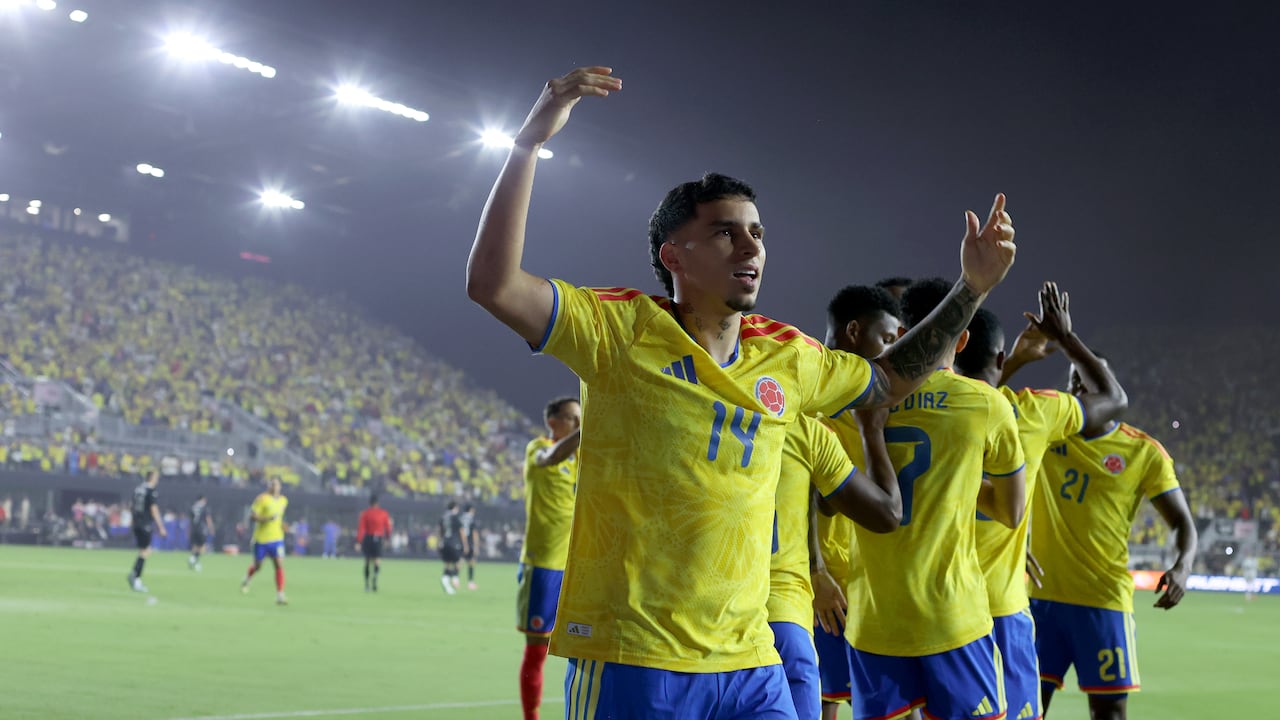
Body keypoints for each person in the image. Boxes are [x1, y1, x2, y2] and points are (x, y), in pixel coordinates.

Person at [465, 65, 1016, 718]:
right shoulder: (617, 329)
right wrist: (527, 146)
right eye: (726, 231)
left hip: (751, 658)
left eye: (756, 231)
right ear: (674, 255)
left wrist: (971, 289)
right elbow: (493, 284)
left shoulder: (786, 355)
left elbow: (887, 380)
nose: (750, 244)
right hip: (636, 658)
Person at [824, 279, 1027, 720]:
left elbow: (815, 487)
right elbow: (1012, 512)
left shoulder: (849, 406)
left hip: (874, 621)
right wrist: (961, 476)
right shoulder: (986, 405)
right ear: (965, 338)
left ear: (901, 333)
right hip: (953, 619)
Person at [955, 282, 1129, 720]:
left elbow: (974, 399)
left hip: (937, 609)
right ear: (997, 360)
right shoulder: (1034, 412)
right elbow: (1113, 399)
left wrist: (1009, 361)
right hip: (1001, 609)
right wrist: (1065, 337)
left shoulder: (912, 412)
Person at [1012, 356, 1198, 720]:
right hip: (1041, 600)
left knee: (1110, 712)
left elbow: (1182, 523)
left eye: (1085, 382)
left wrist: (1183, 566)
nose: (1076, 390)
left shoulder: (1143, 451)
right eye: (1072, 382)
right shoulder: (1046, 433)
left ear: (1107, 386)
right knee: (1027, 708)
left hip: (1103, 601)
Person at [814, 284, 903, 720]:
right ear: (854, 332)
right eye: (888, 340)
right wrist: (816, 574)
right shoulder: (812, 398)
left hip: (872, 588)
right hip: (827, 587)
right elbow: (800, 502)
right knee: (822, 703)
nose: (894, 352)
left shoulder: (875, 401)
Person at [518, 396, 582, 720]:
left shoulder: (580, 457)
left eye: (581, 418)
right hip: (542, 565)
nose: (578, 423)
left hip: (575, 568)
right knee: (536, 651)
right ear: (553, 421)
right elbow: (550, 457)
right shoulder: (537, 449)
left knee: (583, 647)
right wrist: (587, 430)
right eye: (573, 418)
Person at [240, 477, 289, 605]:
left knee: (278, 564)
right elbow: (253, 516)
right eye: (271, 484)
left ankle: (280, 595)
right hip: (261, 539)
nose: (274, 487)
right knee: (258, 566)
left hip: (277, 539)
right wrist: (266, 519)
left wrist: (283, 525)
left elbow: (279, 519)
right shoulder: (262, 499)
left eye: (276, 484)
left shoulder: (284, 501)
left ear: (280, 486)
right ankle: (247, 578)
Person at [127, 471, 167, 592]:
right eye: (156, 478)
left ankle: (134, 574)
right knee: (146, 551)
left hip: (137, 522)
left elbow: (132, 506)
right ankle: (136, 578)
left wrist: (132, 520)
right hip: (145, 523)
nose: (157, 480)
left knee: (143, 550)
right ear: (152, 478)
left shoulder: (138, 489)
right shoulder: (151, 491)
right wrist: (161, 526)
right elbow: (153, 509)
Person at [357, 494, 393, 592]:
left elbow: (361, 528)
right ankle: (375, 580)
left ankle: (367, 584)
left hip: (368, 537)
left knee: (367, 561)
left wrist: (359, 541)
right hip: (378, 537)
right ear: (377, 503)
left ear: (369, 503)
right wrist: (388, 538)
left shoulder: (365, 513)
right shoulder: (384, 513)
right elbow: (388, 528)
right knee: (377, 560)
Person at [439, 501, 465, 595]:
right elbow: (462, 531)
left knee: (447, 564)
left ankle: (447, 583)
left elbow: (440, 531)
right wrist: (465, 545)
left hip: (444, 543)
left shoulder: (443, 517)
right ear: (455, 508)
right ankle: (454, 577)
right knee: (460, 561)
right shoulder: (455, 517)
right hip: (454, 543)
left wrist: (439, 543)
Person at [188, 495, 214, 572]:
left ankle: (195, 562)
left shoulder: (193, 507)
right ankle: (194, 559)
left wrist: (189, 530)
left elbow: (190, 520)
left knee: (194, 546)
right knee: (202, 547)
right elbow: (208, 518)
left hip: (193, 529)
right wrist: (211, 528)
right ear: (202, 499)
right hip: (201, 529)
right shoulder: (204, 507)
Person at [461, 504, 480, 590]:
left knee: (460, 561)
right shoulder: (472, 518)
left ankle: (454, 578)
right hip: (469, 542)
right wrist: (476, 546)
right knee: (471, 562)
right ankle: (470, 583)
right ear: (471, 510)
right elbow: (474, 533)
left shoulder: (461, 518)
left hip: (460, 542)